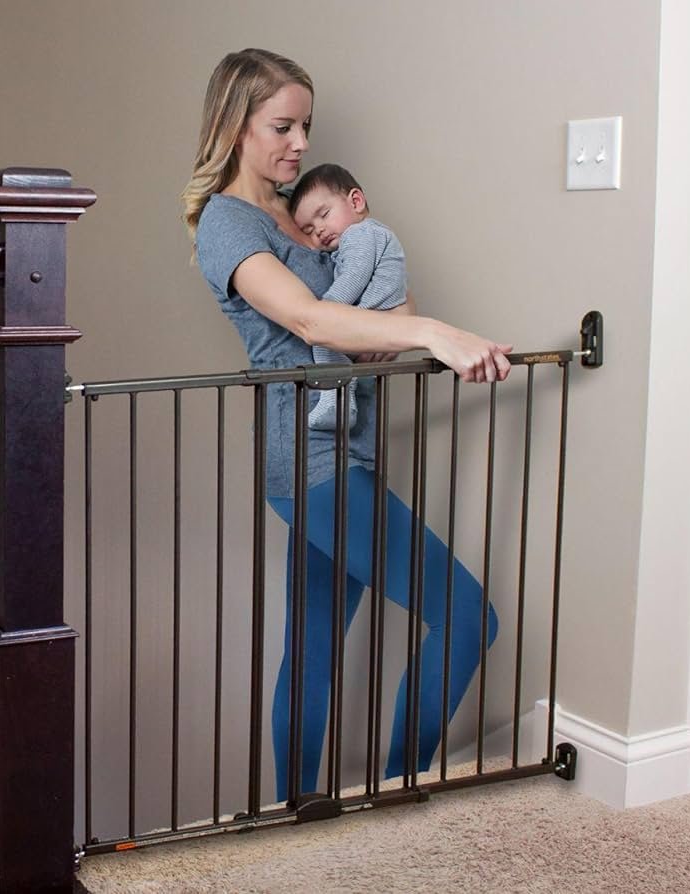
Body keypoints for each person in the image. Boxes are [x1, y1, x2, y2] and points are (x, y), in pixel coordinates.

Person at [183, 48, 512, 803]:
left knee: (312, 647)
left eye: (306, 125)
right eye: (282, 125)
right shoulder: (226, 225)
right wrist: (429, 330)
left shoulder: (300, 216)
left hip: (347, 453)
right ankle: (397, 795)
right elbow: (304, 316)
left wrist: (403, 320)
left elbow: (372, 316)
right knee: (467, 616)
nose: (300, 142)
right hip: (309, 462)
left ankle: (299, 811)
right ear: (236, 126)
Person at [289, 163, 406, 431]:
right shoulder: (371, 234)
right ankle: (341, 398)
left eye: (324, 214)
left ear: (356, 200)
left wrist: (325, 311)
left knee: (323, 339)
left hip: (370, 314)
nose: (319, 229)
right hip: (378, 318)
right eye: (308, 230)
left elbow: (354, 277)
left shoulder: (360, 234)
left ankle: (336, 399)